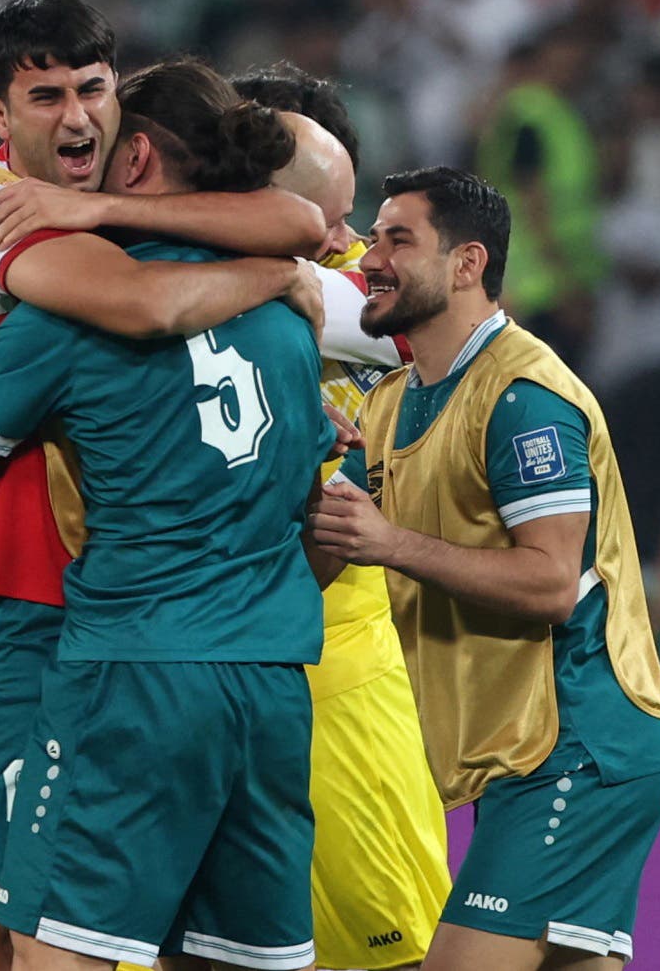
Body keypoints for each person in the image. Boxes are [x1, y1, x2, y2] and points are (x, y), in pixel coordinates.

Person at [0, 0, 331, 971]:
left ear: (128, 129)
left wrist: (103, 206)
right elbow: (157, 299)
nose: (76, 119)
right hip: (38, 600)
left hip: (116, 633)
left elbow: (298, 224)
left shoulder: (83, 260)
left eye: (94, 91)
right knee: (2, 925)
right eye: (47, 94)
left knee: (40, 936)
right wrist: (278, 278)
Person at [311, 168, 660, 971]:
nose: (369, 257)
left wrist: (390, 542)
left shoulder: (522, 396)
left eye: (396, 239)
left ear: (466, 263)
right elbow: (326, 555)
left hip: (577, 744)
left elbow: (549, 583)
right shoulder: (389, 399)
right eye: (372, 235)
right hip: (519, 752)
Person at [237, 66, 450, 971]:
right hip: (185, 648)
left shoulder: (374, 282)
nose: (336, 227)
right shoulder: (161, 270)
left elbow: (443, 331)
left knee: (390, 944)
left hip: (342, 652)